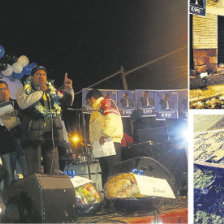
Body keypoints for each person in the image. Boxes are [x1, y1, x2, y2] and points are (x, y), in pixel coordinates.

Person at [16, 66, 74, 175]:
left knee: (53, 170)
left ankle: (52, 190)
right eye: (38, 74)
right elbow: (23, 104)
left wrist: (68, 89)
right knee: (34, 171)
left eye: (43, 74)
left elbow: (67, 102)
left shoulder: (51, 90)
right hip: (32, 135)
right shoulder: (25, 89)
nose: (41, 77)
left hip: (51, 134)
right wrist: (39, 92)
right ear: (32, 77)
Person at [86, 89, 123, 185]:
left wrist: (105, 134)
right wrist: (92, 144)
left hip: (110, 141)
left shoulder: (106, 102)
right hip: (100, 144)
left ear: (92, 98)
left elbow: (112, 118)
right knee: (106, 174)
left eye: (88, 101)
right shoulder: (95, 110)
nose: (88, 104)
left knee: (113, 173)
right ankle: (107, 198)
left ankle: (116, 198)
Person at [0, 81, 27, 188]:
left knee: (28, 174)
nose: (3, 92)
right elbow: (13, 126)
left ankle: (30, 202)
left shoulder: (18, 103)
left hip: (22, 145)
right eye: (0, 90)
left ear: (9, 90)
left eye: (4, 89)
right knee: (10, 177)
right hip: (6, 147)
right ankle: (9, 203)